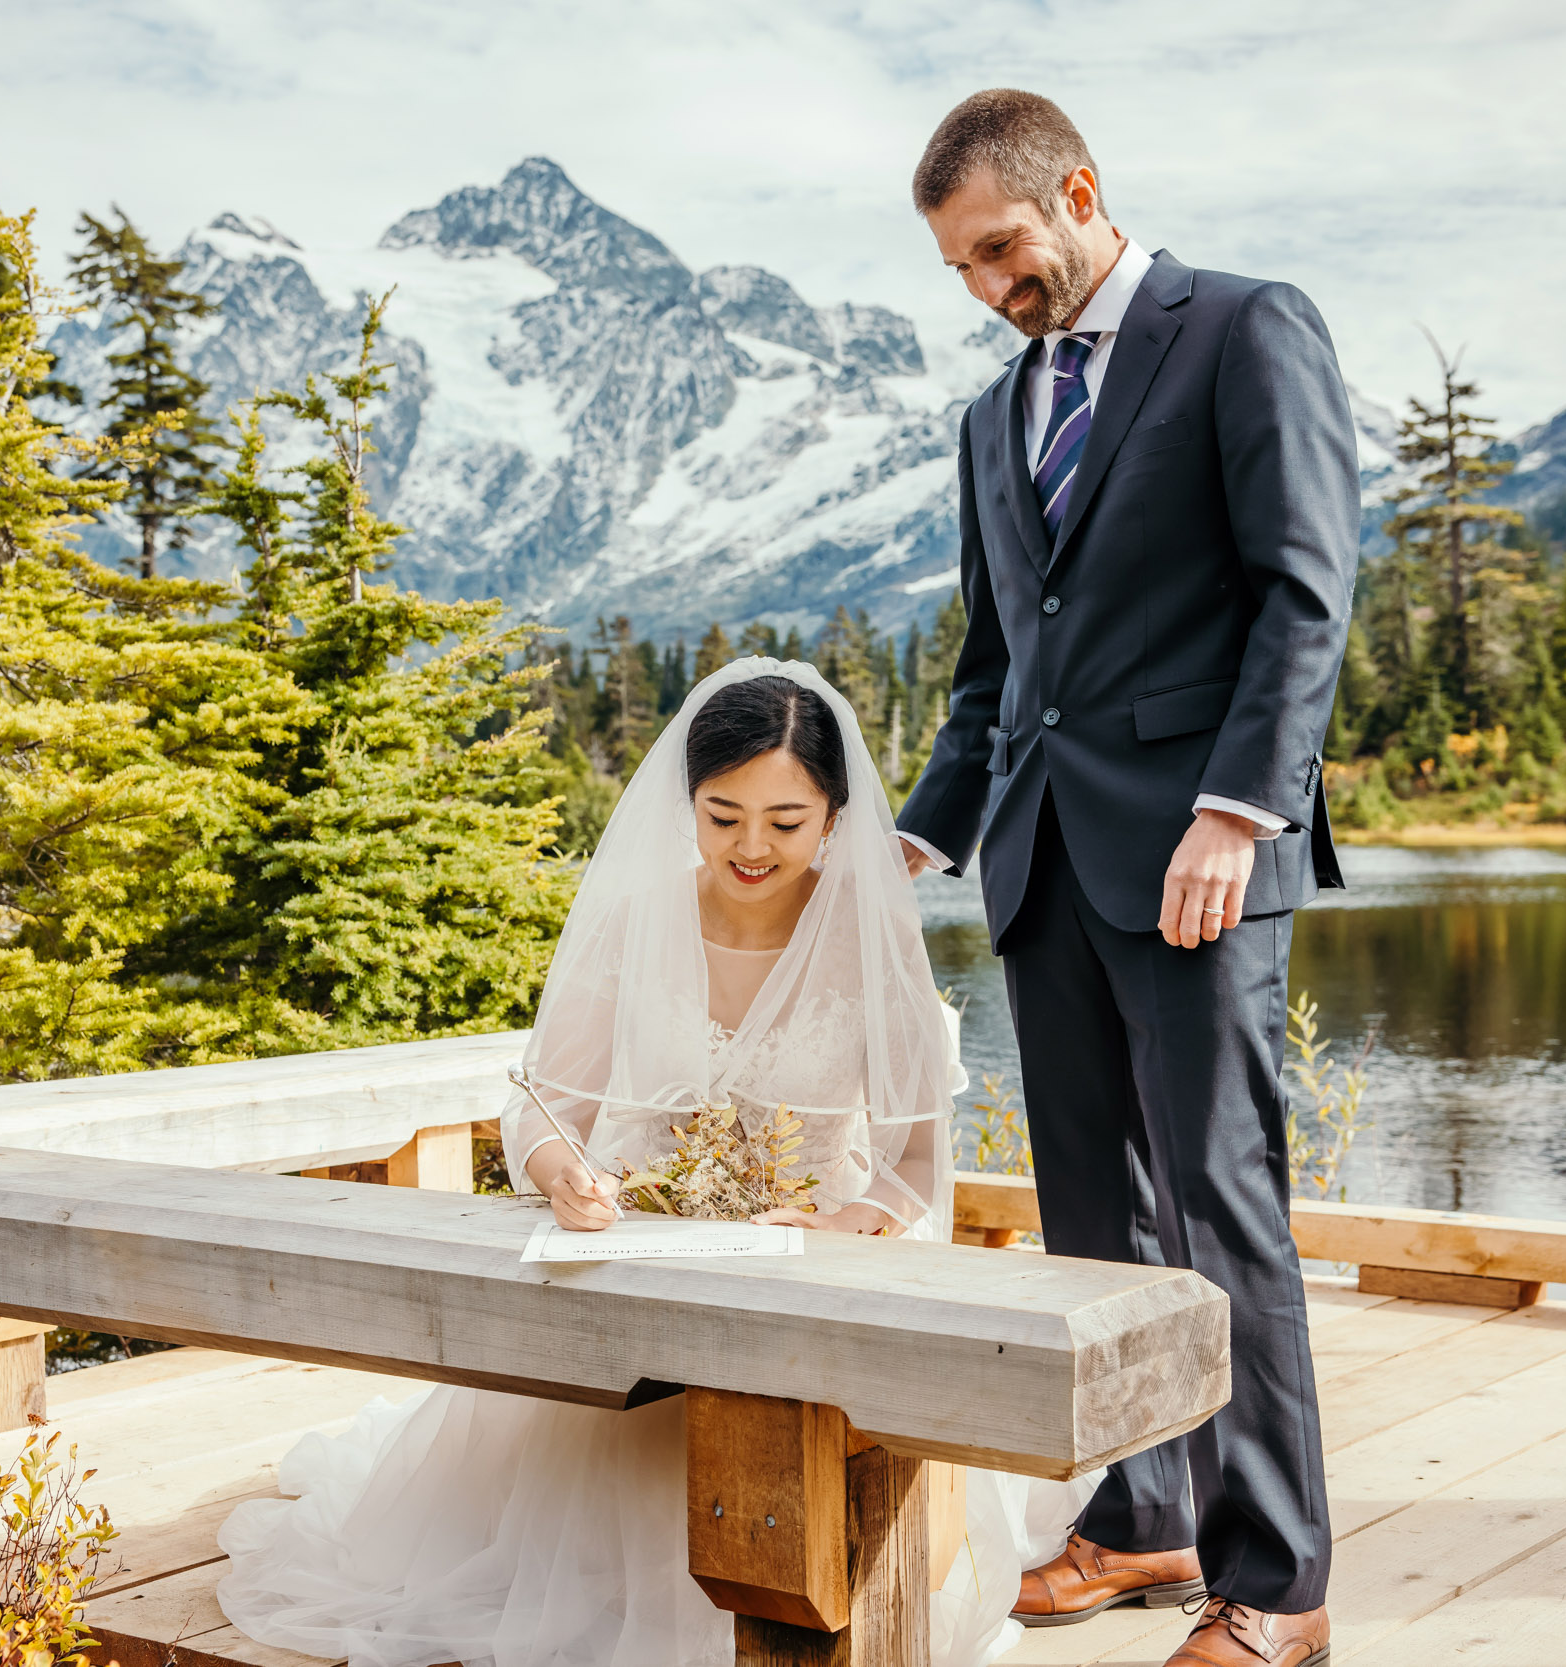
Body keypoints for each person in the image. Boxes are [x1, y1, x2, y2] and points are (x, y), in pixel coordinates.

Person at [216, 658, 1095, 1667]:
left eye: (785, 819)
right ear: (688, 804)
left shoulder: (874, 947)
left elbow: (909, 1170)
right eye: (722, 816)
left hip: (803, 1277)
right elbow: (541, 1111)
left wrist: (846, 1222)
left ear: (835, 817)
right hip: (637, 1262)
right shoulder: (637, 920)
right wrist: (562, 1177)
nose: (752, 846)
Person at [892, 91, 1357, 1667]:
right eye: (960, 267)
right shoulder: (992, 415)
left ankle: (1278, 1579)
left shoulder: (1241, 330)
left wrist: (1240, 807)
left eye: (1002, 249)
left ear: (1080, 193)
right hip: (1040, 858)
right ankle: (1148, 1505)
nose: (988, 289)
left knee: (1224, 1206)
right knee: (1096, 1223)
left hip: (1198, 852)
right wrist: (919, 831)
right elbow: (993, 665)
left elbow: (1305, 590)